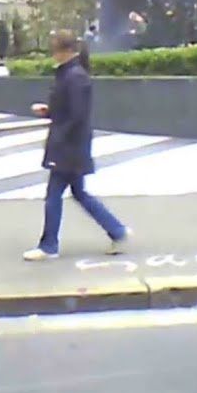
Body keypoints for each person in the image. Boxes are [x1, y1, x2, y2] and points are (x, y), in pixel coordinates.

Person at [22, 30, 131, 261]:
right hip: (73, 145)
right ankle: (117, 231)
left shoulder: (74, 76)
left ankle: (49, 245)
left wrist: (59, 138)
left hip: (69, 147)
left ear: (65, 50)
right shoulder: (71, 74)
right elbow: (70, 110)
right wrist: (49, 111)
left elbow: (76, 115)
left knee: (54, 195)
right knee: (79, 193)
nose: (53, 54)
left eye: (54, 49)